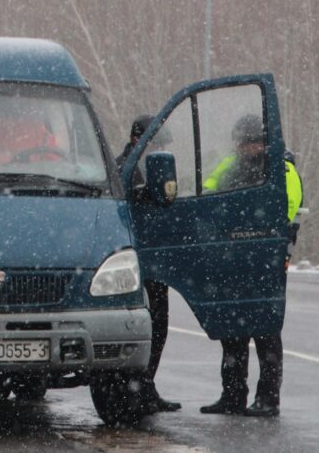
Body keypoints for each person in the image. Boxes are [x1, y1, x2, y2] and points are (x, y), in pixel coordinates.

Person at [199, 114, 303, 418]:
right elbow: (209, 190)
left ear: (264, 142)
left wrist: (247, 225)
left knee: (266, 331)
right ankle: (232, 395)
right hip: (233, 258)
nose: (247, 147)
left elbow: (285, 209)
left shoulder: (282, 170)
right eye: (243, 142)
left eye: (252, 141)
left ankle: (268, 398)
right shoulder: (231, 165)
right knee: (233, 329)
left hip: (265, 259)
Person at [116, 114, 182, 413]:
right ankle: (136, 389)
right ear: (138, 140)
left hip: (155, 259)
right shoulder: (124, 168)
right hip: (137, 262)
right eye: (156, 143)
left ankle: (146, 386)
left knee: (159, 326)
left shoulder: (146, 166)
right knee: (147, 327)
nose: (160, 149)